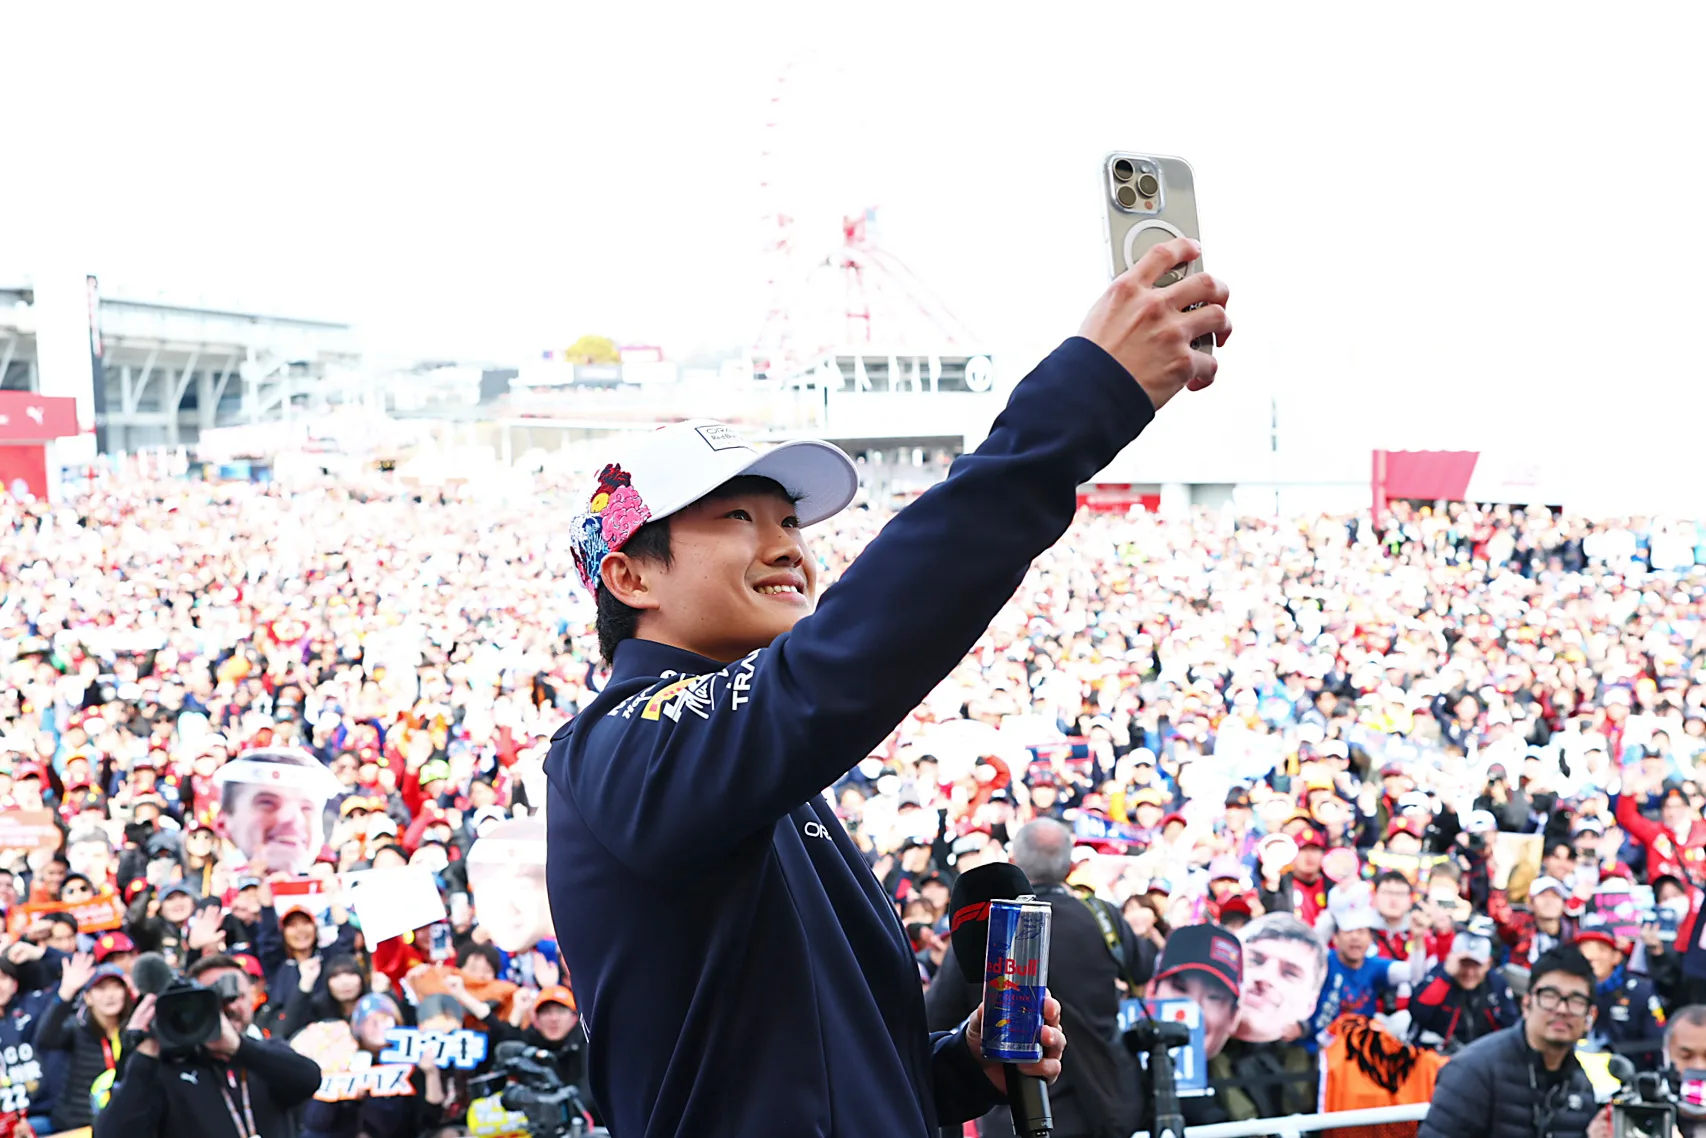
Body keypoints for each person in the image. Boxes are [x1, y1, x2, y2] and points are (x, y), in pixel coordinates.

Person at [544, 235, 1229, 1138]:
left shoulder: (757, 776)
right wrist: (1086, 394)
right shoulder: (622, 748)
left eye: (791, 519)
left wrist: (957, 1069)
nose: (788, 544)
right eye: (739, 519)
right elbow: (854, 651)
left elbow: (791, 1072)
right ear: (632, 576)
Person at [924, 818, 1145, 1138]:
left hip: (1016, 1116)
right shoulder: (1102, 916)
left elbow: (934, 1016)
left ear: (1014, 861)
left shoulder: (989, 927)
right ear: (1069, 866)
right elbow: (1143, 968)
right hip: (1105, 1104)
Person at [94, 952, 324, 1138]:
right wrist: (144, 1054)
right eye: (212, 1001)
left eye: (236, 996)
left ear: (253, 997)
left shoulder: (267, 1054)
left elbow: (309, 1079)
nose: (227, 1009)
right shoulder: (163, 1072)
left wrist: (240, 1049)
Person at [1416, 944, 1600, 1138]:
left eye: (1576, 1000)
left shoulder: (1582, 1086)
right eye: (1550, 996)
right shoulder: (1473, 1070)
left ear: (1591, 1015)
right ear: (1526, 1004)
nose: (1562, 1009)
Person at [36, 954, 134, 1133]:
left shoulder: (133, 1032)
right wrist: (65, 993)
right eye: (101, 989)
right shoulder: (78, 1028)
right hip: (78, 1124)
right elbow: (45, 1039)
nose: (109, 995)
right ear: (88, 997)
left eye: (116, 987)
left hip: (121, 1123)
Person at [213, 748, 342, 875]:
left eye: (307, 808)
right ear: (222, 822)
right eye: (267, 803)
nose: (293, 818)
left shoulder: (339, 894)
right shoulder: (214, 889)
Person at [1409, 927, 1522, 1050]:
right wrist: (1445, 976)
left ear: (1488, 964)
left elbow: (1511, 1026)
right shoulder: (1440, 976)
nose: (1469, 973)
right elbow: (1418, 1013)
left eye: (1476, 965)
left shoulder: (1496, 983)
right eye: (1464, 964)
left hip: (1482, 1055)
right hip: (1438, 1056)